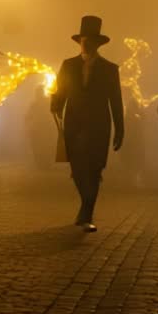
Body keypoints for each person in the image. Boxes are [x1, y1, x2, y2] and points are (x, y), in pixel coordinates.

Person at [51, 16, 124, 232]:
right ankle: (86, 206)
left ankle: (87, 213)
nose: (86, 43)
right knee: (78, 169)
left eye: (90, 40)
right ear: (80, 41)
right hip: (74, 125)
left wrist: (120, 129)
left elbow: (116, 101)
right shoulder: (68, 65)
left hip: (99, 126)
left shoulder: (110, 69)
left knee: (93, 170)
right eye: (84, 39)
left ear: (97, 43)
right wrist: (55, 103)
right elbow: (61, 91)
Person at [24, 83, 55, 170]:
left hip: (45, 127)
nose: (38, 94)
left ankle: (45, 163)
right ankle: (41, 163)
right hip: (38, 128)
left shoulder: (46, 102)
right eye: (38, 92)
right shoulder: (35, 104)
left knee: (45, 145)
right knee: (38, 146)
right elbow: (29, 116)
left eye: (39, 92)